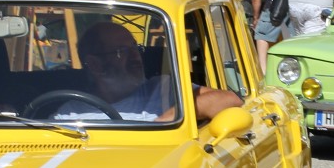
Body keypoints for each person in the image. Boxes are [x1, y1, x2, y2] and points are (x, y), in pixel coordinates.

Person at [75, 21, 241, 122]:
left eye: (135, 47)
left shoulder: (162, 89)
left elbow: (229, 99)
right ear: (95, 64)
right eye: (122, 51)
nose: (136, 56)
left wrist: (173, 116)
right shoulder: (68, 114)